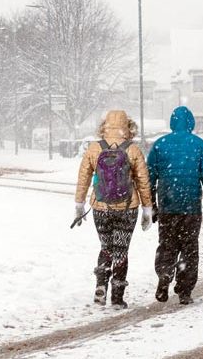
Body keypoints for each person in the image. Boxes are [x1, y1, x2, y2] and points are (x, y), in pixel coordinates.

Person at [75, 110, 154, 308]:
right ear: (128, 126)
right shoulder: (133, 150)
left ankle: (101, 286)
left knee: (106, 247)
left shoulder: (95, 148)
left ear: (104, 125)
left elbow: (83, 177)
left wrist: (79, 203)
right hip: (127, 208)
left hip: (101, 207)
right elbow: (143, 181)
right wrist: (147, 208)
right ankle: (117, 297)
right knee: (121, 250)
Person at [146, 106, 203, 305]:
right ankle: (184, 289)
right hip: (191, 207)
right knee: (189, 248)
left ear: (172, 122)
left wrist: (152, 204)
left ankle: (164, 276)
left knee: (167, 245)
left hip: (167, 206)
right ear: (191, 123)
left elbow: (149, 178)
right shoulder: (199, 145)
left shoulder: (160, 145)